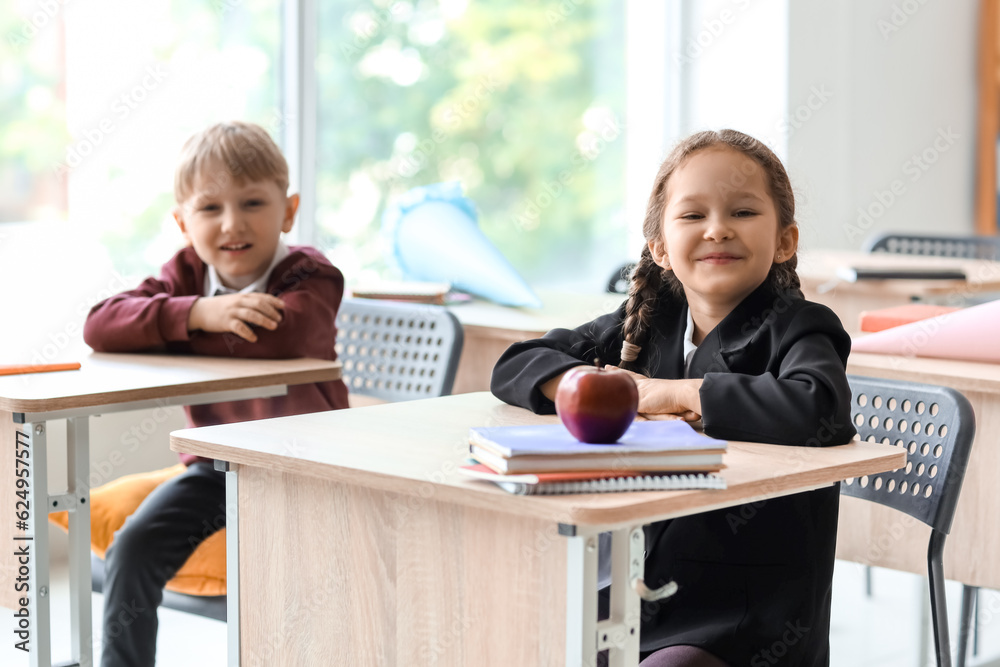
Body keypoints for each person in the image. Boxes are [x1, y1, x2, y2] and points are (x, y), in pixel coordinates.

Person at [490, 129, 857, 667]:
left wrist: (677, 394)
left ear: (785, 240)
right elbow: (517, 363)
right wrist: (599, 391)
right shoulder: (649, 324)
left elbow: (820, 407)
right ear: (660, 247)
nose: (717, 230)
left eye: (743, 212)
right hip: (640, 597)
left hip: (746, 617)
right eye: (692, 216)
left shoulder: (800, 325)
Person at [83, 121, 349, 666]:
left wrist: (166, 333)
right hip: (219, 469)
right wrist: (199, 311)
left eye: (253, 202)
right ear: (182, 221)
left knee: (306, 586)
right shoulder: (186, 276)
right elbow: (101, 325)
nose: (233, 224)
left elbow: (281, 337)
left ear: (289, 210)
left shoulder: (310, 275)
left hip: (313, 469)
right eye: (210, 209)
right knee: (132, 547)